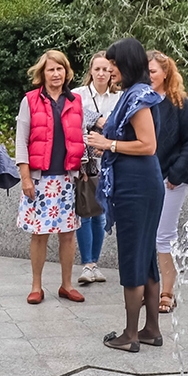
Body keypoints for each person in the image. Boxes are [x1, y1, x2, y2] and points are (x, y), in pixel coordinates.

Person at [85, 38, 163, 352]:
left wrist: (108, 144)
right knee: (145, 258)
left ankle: (130, 335)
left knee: (133, 256)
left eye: (115, 64)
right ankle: (151, 329)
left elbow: (148, 145)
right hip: (140, 183)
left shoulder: (139, 96)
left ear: (126, 63)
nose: (111, 69)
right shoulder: (135, 94)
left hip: (137, 185)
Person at [15, 49, 86, 304]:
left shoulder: (75, 100)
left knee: (68, 234)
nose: (56, 74)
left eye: (60, 69)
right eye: (51, 69)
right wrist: (25, 177)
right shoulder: (30, 100)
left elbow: (82, 136)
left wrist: (83, 167)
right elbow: (21, 141)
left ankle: (66, 285)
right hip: (39, 178)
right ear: (42, 73)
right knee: (39, 233)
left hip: (67, 177)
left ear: (66, 72)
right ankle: (36, 286)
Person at [148, 51, 188, 312]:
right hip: (145, 179)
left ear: (166, 73)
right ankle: (150, 287)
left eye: (153, 71)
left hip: (171, 180)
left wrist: (176, 174)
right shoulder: (141, 101)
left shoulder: (179, 102)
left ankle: (167, 292)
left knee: (163, 235)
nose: (149, 76)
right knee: (148, 235)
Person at [73, 52, 120, 285]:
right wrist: (90, 147)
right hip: (84, 163)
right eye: (97, 69)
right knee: (84, 211)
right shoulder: (77, 95)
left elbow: (122, 127)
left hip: (110, 161)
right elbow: (73, 125)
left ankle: (94, 264)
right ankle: (86, 263)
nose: (102, 73)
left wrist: (106, 142)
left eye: (106, 69)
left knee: (101, 214)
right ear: (90, 71)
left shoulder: (120, 97)